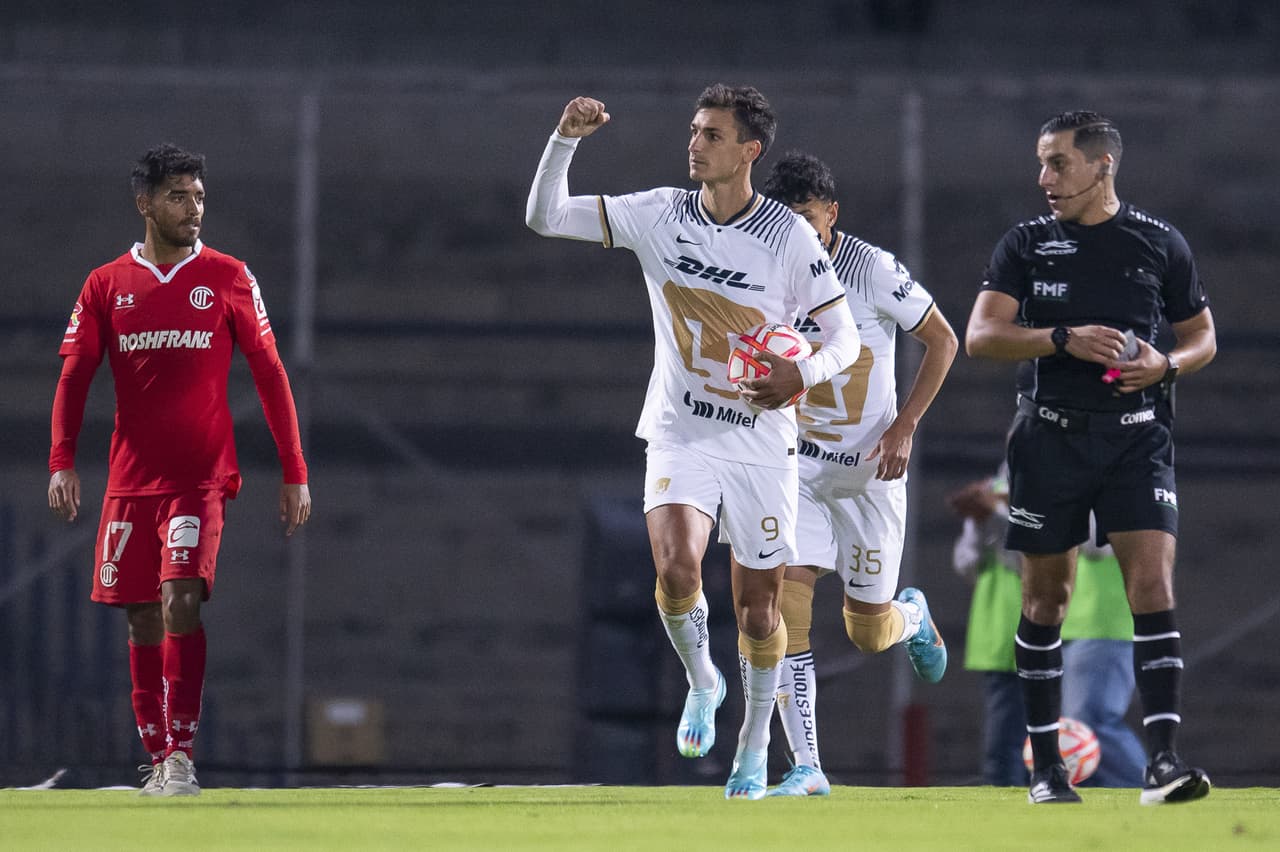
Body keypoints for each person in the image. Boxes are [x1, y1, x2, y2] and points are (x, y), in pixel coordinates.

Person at [526, 87, 860, 799]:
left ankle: (753, 745)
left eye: (712, 134)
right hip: (681, 432)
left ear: (749, 151)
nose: (695, 143)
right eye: (694, 130)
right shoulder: (659, 213)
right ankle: (703, 679)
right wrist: (565, 140)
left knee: (759, 611)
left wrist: (800, 371)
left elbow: (845, 338)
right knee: (678, 570)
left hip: (762, 444)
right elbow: (545, 217)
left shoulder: (788, 237)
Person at [965, 111, 1217, 805]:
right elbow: (981, 336)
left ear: (1103, 166)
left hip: (1138, 438)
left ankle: (1162, 764)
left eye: (1058, 163)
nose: (1044, 178)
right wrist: (1061, 338)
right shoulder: (1026, 244)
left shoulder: (1159, 242)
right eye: (1042, 163)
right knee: (1047, 598)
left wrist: (1166, 364)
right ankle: (1048, 770)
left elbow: (1202, 337)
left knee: (1153, 589)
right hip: (1049, 439)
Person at [47, 144, 312, 797]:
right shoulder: (106, 284)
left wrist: (294, 469)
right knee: (141, 617)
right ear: (145, 203)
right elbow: (75, 376)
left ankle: (182, 756)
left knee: (180, 598)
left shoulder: (228, 277)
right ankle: (157, 755)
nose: (193, 208)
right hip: (130, 481)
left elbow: (271, 373)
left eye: (198, 196)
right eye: (177, 196)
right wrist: (61, 461)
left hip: (200, 477)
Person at [757, 151, 957, 796]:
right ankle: (807, 766)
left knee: (868, 633)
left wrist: (905, 427)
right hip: (799, 471)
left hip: (870, 477)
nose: (797, 232)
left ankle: (911, 616)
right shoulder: (762, 269)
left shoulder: (871, 270)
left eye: (808, 218)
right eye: (784, 220)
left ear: (831, 214)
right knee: (785, 605)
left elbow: (944, 340)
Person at [950, 466, 1146, 788]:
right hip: (1049, 629)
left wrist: (1012, 508)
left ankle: (1149, 788)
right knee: (1063, 735)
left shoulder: (1108, 473)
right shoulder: (1010, 480)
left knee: (1087, 725)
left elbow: (1094, 545)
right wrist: (991, 516)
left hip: (1099, 622)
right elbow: (975, 561)